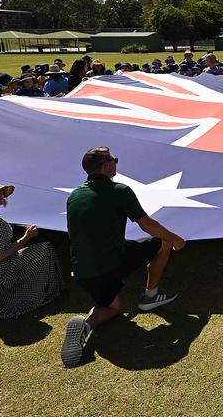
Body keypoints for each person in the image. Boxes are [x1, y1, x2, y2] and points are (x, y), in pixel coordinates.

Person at [61, 147, 186, 368]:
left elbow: (72, 234)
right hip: (110, 264)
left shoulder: (74, 195)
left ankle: (87, 325)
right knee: (162, 241)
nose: (115, 163)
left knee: (112, 306)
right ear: (105, 165)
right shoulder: (119, 190)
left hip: (82, 271)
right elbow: (148, 225)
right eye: (113, 159)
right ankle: (151, 296)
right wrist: (176, 238)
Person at [0, 178, 64, 319]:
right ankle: (38, 293)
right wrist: (27, 237)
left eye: (0, 192)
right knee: (44, 249)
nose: (0, 197)